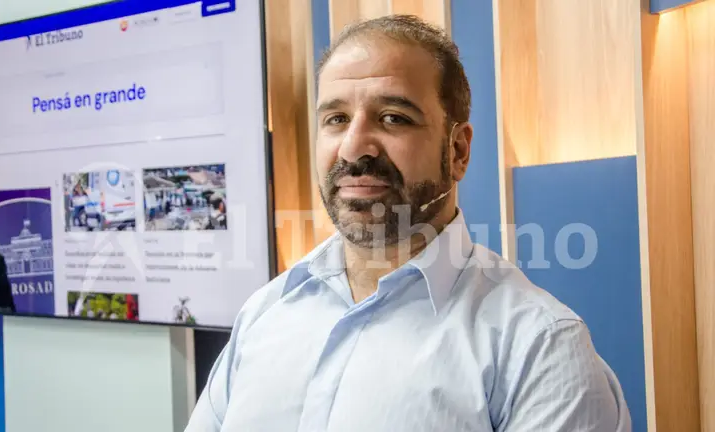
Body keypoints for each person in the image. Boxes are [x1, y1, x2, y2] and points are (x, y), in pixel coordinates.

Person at [185, 15, 631, 432]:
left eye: (393, 118)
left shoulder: (541, 349)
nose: (353, 148)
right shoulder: (264, 314)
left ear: (457, 151)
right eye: (336, 119)